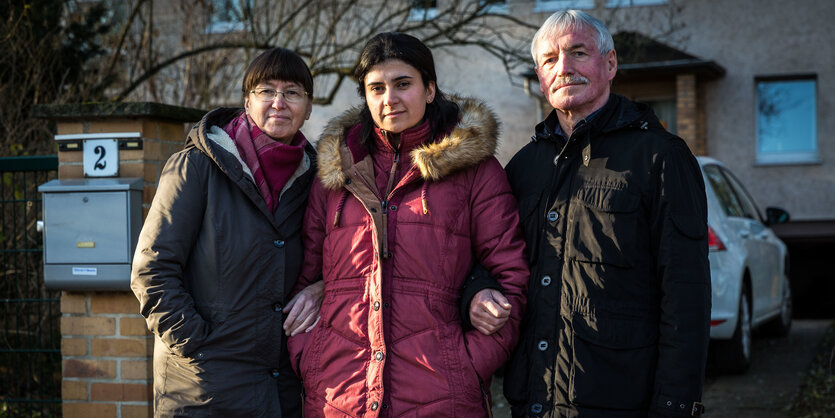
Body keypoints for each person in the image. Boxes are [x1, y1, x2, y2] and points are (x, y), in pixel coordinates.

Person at [287, 32, 529, 416]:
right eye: (376, 88)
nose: (389, 99)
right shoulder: (335, 175)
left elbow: (511, 277)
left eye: (403, 84)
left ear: (429, 89)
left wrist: (467, 366)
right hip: (337, 397)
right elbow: (305, 278)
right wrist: (310, 358)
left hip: (442, 396)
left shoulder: (476, 171)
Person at [498, 10, 711, 418]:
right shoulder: (523, 167)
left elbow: (687, 295)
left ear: (610, 63)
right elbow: (491, 262)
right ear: (540, 77)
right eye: (549, 60)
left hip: (622, 402)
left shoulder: (661, 158)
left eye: (578, 53)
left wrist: (675, 404)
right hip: (534, 403)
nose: (563, 68)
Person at [130, 47, 325, 417]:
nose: (279, 102)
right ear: (247, 102)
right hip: (202, 390)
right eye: (266, 90)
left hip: (281, 390)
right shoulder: (196, 167)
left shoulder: (317, 179)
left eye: (293, 92)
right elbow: (152, 271)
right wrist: (199, 348)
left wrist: (322, 287)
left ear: (309, 106)